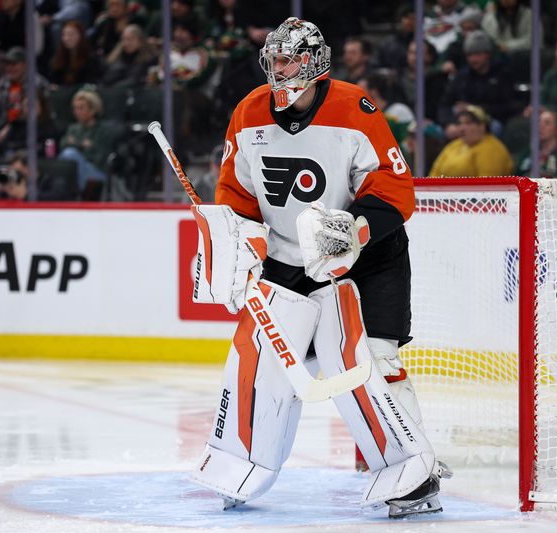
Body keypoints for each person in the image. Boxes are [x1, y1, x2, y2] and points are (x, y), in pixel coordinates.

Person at [192, 17, 447, 519]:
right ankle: (241, 463)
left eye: (288, 60)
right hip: (287, 259)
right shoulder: (248, 112)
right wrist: (235, 244)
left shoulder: (355, 107)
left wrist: (352, 230)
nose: (278, 68)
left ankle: (413, 475)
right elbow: (237, 194)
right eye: (275, 59)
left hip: (366, 260)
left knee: (369, 362)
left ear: (313, 63)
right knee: (260, 359)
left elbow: (394, 190)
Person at [0, 46, 51, 154]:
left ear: (25, 65)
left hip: (30, 129)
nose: (10, 68)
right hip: (5, 127)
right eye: (7, 64)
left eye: (14, 64)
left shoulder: (37, 83)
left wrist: (9, 128)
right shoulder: (3, 83)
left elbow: (42, 112)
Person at [429, 104, 513, 177]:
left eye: (468, 123)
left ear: (482, 126)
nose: (462, 128)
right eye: (459, 123)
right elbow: (435, 172)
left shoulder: (491, 149)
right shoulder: (454, 145)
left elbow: (487, 185)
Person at [58, 88, 112, 198]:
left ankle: (74, 197)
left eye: (81, 108)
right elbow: (62, 146)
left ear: (93, 110)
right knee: (68, 156)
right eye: (75, 108)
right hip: (73, 169)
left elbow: (98, 157)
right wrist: (82, 145)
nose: (77, 112)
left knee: (71, 154)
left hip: (97, 171)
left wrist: (75, 145)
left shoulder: (102, 130)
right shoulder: (73, 128)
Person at [514, 110, 557, 178]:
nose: (540, 126)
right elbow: (516, 174)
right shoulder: (529, 151)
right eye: (539, 121)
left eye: (547, 123)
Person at [100, 23, 154, 87]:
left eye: (130, 39)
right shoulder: (115, 59)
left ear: (140, 40)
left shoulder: (147, 61)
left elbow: (134, 81)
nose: (126, 43)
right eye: (124, 39)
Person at [48, 20, 100, 86]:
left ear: (81, 36)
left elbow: (90, 82)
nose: (67, 38)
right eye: (64, 35)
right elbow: (53, 81)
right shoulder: (57, 58)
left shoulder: (91, 58)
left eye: (71, 34)